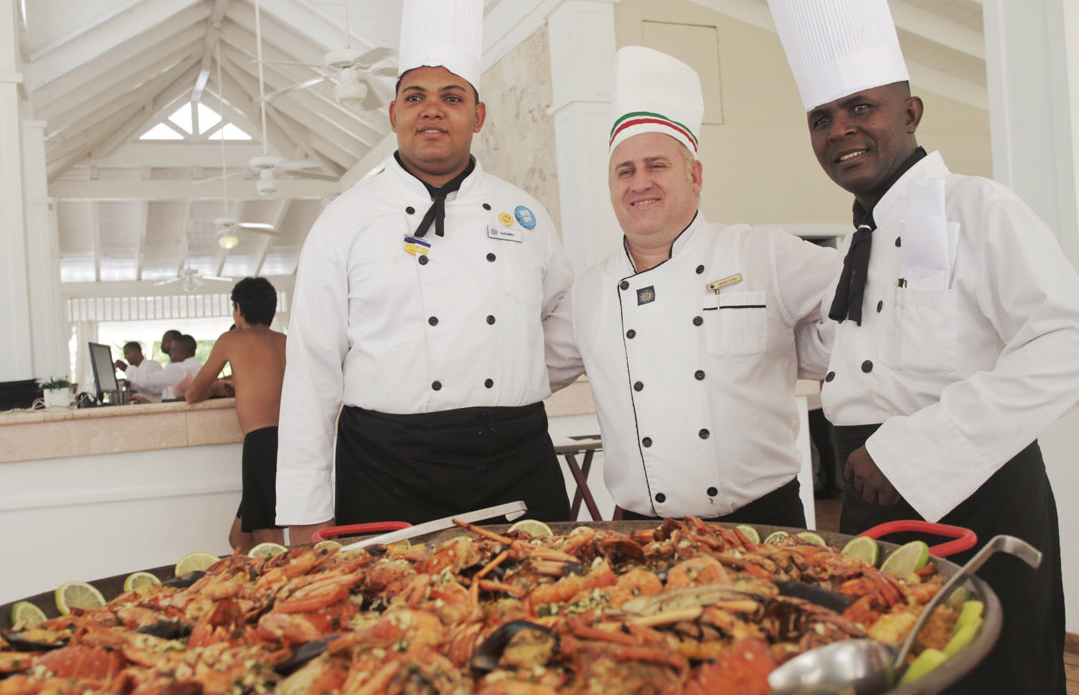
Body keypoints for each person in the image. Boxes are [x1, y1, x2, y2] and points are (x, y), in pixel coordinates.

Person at [766, 2, 1079, 695]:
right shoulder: (859, 237)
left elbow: (1077, 343)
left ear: (911, 111)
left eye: (861, 108)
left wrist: (911, 451)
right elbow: (864, 359)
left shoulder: (980, 208)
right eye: (822, 117)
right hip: (875, 505)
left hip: (980, 501)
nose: (840, 131)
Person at [276, 0, 574, 544]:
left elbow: (562, 322)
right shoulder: (344, 220)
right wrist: (306, 509)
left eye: (452, 97)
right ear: (393, 115)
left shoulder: (526, 217)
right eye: (415, 97)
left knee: (540, 610)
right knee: (393, 623)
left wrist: (510, 376)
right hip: (387, 467)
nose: (432, 110)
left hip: (515, 457)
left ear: (478, 116)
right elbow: (312, 370)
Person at [547, 47, 841, 526]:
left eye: (656, 165)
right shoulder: (588, 294)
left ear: (695, 175)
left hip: (762, 523)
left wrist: (801, 352)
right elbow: (522, 369)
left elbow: (860, 305)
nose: (639, 182)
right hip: (637, 530)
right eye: (625, 170)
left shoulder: (761, 253)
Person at [187, 277, 286, 551]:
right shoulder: (285, 341)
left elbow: (192, 394)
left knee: (270, 542)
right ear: (272, 310)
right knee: (240, 539)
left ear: (238, 308)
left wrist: (217, 386)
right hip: (290, 440)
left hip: (262, 443)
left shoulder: (231, 339)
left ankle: (279, 592)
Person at [135, 334, 201, 401]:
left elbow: (146, 380)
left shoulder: (179, 369)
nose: (170, 352)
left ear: (184, 352)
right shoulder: (197, 366)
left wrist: (126, 368)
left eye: (173, 350)